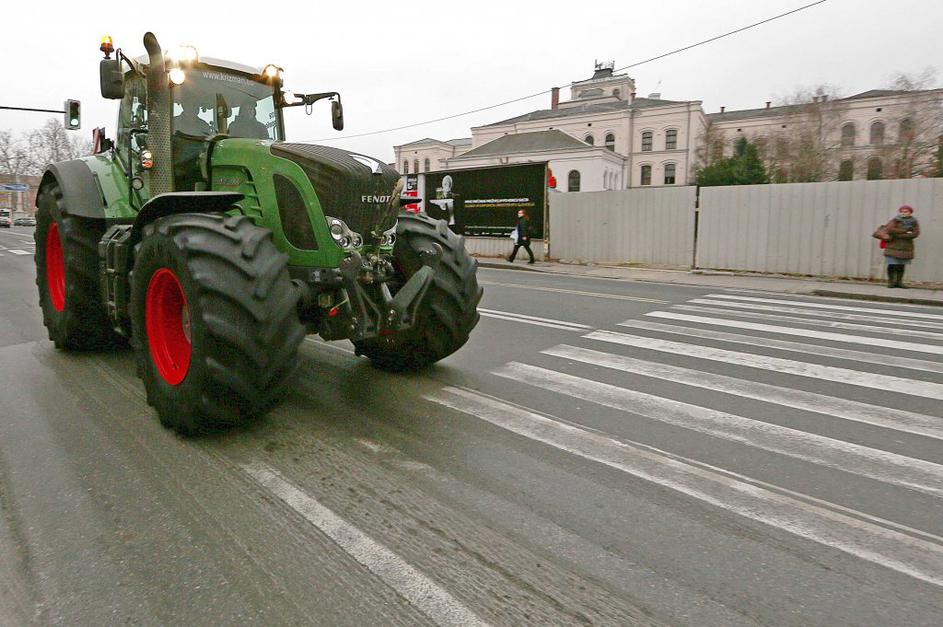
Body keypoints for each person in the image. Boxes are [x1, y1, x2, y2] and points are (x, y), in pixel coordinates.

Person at [882, 204, 920, 288]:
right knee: (892, 264)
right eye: (901, 211)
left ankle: (899, 282)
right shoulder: (895, 220)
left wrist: (901, 235)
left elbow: (915, 233)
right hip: (893, 246)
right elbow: (889, 229)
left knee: (901, 265)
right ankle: (891, 282)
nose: (903, 213)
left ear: (910, 212)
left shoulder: (914, 222)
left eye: (906, 211)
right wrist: (905, 231)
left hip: (905, 247)